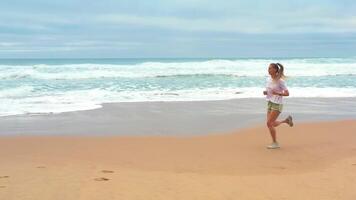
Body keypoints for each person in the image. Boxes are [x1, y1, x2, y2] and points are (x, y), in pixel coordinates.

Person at [263, 63, 293, 149]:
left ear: (275, 70)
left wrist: (277, 93)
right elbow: (270, 91)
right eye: (268, 68)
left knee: (269, 123)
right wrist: (266, 92)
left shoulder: (280, 81)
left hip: (277, 104)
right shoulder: (268, 79)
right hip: (270, 102)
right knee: (271, 124)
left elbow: (287, 93)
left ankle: (275, 143)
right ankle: (286, 121)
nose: (268, 70)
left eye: (270, 68)